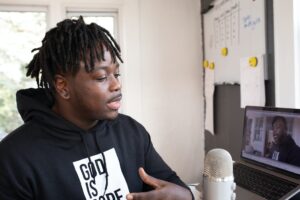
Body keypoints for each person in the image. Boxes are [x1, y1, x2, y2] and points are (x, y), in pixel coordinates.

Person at [0, 16, 194, 200]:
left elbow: (172, 187)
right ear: (63, 86)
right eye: (101, 77)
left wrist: (187, 195)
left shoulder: (131, 133)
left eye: (116, 74)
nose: (116, 85)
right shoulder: (14, 157)